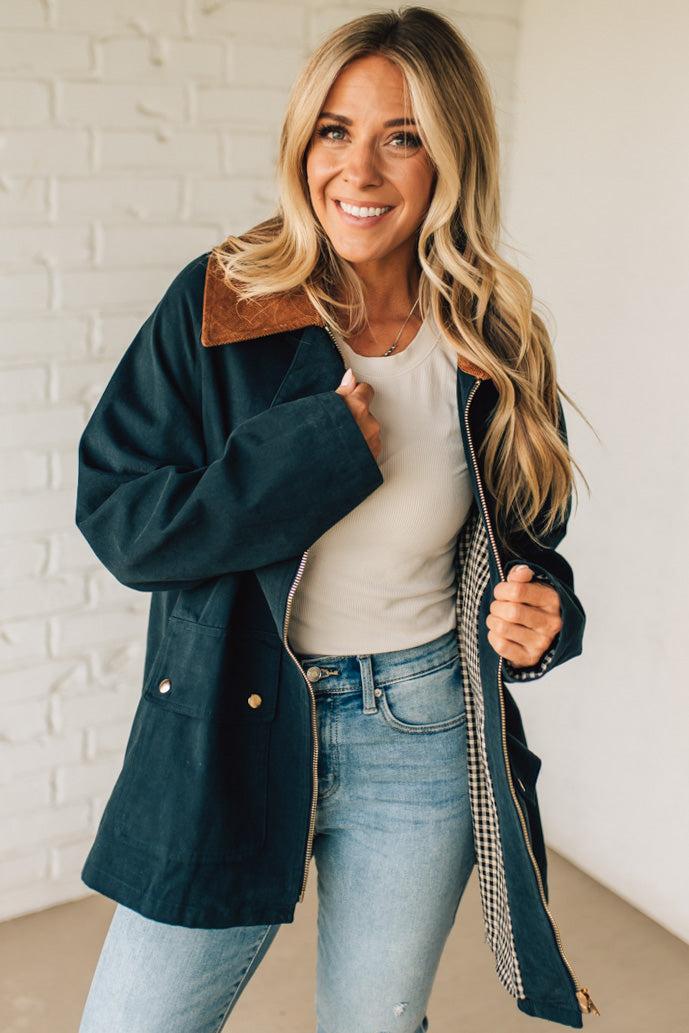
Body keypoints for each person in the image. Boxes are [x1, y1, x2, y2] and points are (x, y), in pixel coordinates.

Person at [76, 8, 598, 1032]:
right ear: (300, 140)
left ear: (450, 154)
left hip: (423, 726)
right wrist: (313, 455)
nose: (358, 169)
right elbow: (124, 519)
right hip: (230, 720)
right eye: (334, 129)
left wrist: (545, 616)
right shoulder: (223, 301)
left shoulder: (490, 334)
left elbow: (528, 542)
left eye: (401, 135)